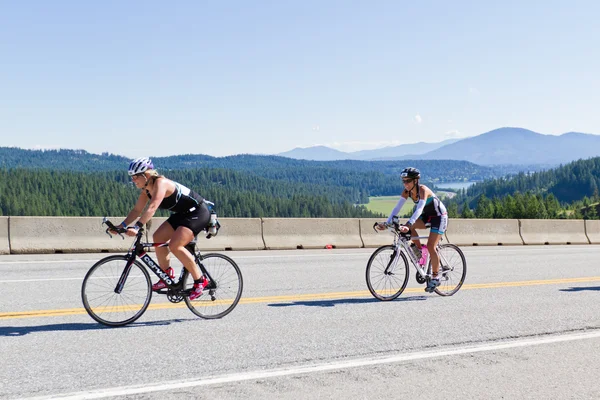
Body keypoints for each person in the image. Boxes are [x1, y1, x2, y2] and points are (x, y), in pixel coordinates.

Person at [113, 157, 211, 300]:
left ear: (146, 175)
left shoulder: (161, 183)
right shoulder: (146, 190)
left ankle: (200, 280)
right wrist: (120, 226)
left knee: (175, 245)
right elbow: (136, 211)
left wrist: (137, 227)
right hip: (182, 214)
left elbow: (152, 208)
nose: (133, 180)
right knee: (158, 237)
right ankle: (167, 275)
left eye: (135, 177)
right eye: (132, 177)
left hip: (198, 212)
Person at [376, 167, 448, 292]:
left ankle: (436, 277)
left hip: (439, 217)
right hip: (427, 216)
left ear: (416, 181)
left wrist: (409, 224)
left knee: (431, 246)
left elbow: (419, 209)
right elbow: (396, 208)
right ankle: (420, 252)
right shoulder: (406, 192)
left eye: (408, 181)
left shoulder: (423, 190)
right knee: (408, 230)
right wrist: (387, 223)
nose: (405, 184)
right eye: (403, 181)